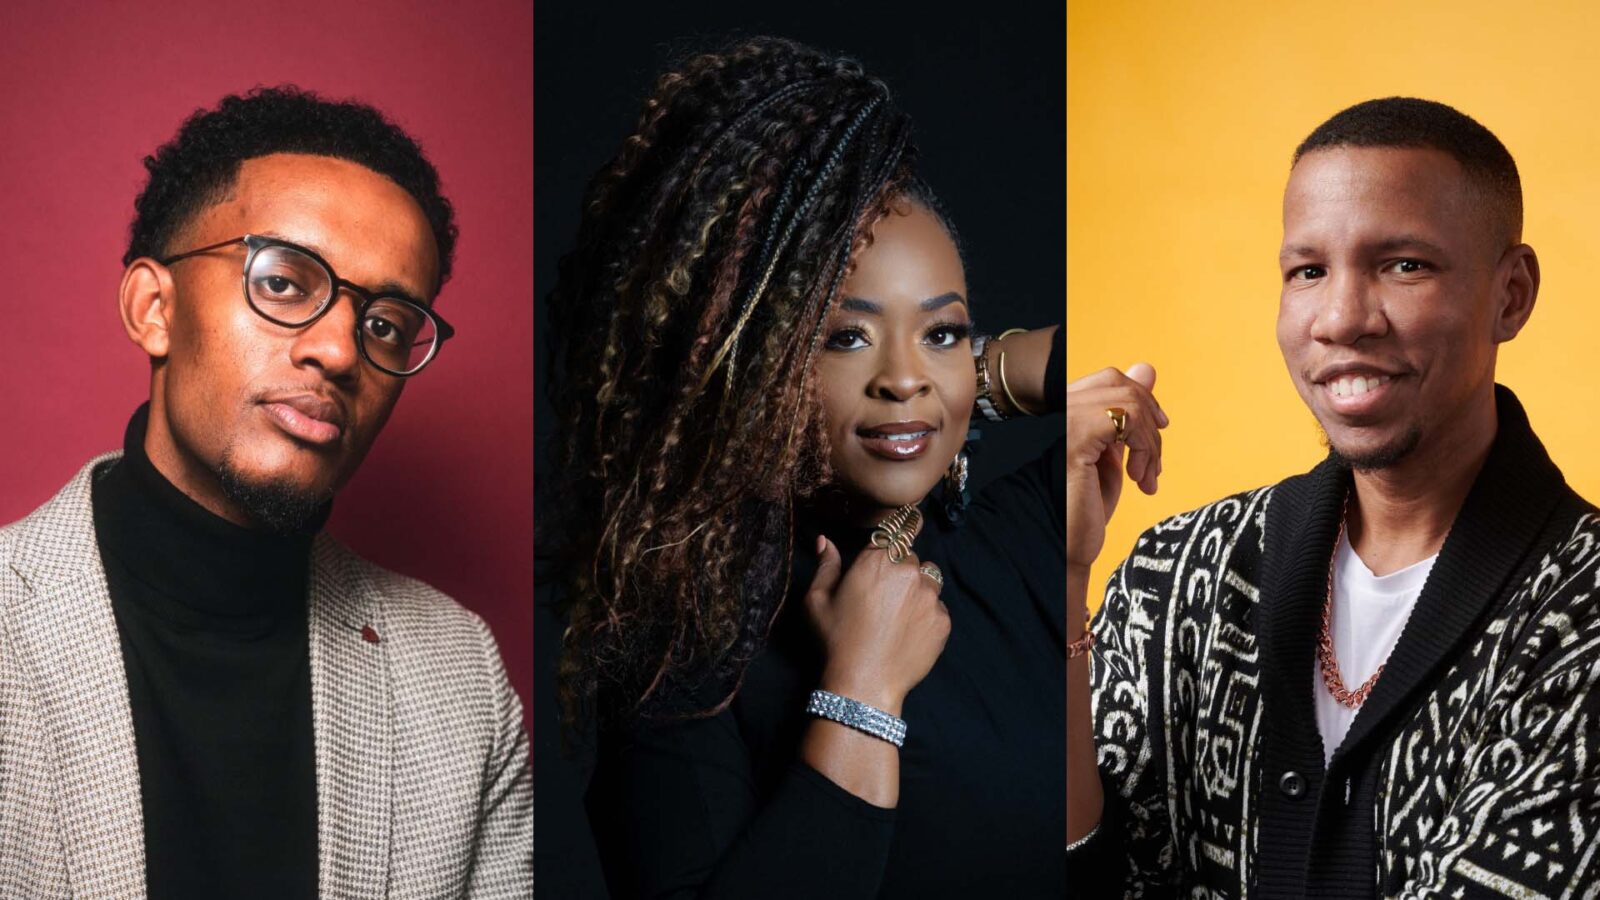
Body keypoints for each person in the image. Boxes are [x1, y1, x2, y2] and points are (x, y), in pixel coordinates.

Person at [545, 37, 1066, 898]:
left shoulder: (1015, 540)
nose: (902, 375)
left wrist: (968, 383)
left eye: (940, 332)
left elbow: (1137, 367)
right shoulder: (682, 654)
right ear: (748, 360)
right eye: (843, 337)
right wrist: (861, 690)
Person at [0, 87, 531, 899]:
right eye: (283, 282)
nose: (339, 352)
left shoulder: (461, 679)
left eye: (386, 322)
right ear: (154, 309)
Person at [1067, 97, 1600, 897]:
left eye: (1404, 264)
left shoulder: (1581, 612)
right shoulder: (1178, 576)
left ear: (1511, 295)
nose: (1342, 318)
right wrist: (1064, 577)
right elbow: (1079, 868)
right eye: (1308, 271)